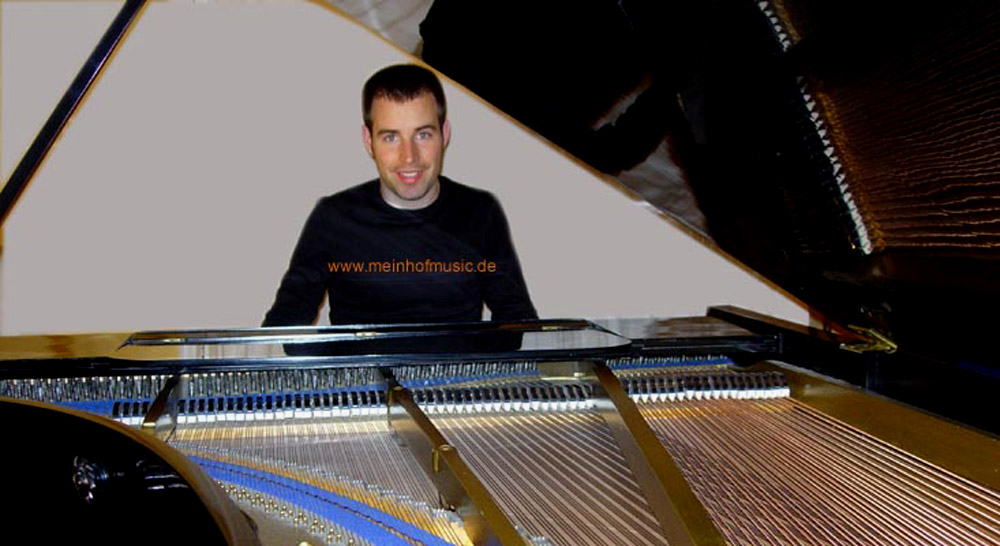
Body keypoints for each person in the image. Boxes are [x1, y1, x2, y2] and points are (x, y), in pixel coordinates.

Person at [263, 64, 537, 327]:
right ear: (368, 141)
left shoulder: (481, 212)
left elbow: (517, 319)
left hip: (459, 363)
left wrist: (483, 356)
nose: (409, 157)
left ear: (444, 134)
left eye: (423, 135)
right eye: (391, 137)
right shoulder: (333, 218)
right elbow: (285, 323)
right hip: (362, 364)